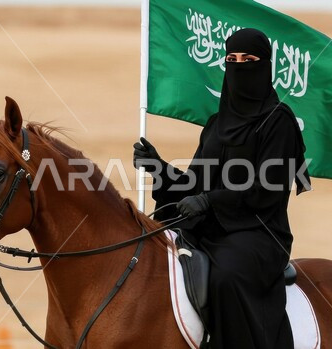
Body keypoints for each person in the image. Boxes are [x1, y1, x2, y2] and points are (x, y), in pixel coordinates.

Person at [133, 28, 310, 349]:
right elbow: (195, 182)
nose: (239, 66)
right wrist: (157, 167)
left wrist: (209, 201)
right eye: (232, 60)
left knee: (225, 276)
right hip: (210, 227)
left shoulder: (278, 121)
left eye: (249, 60)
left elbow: (266, 187)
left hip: (258, 233)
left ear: (265, 66)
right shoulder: (216, 123)